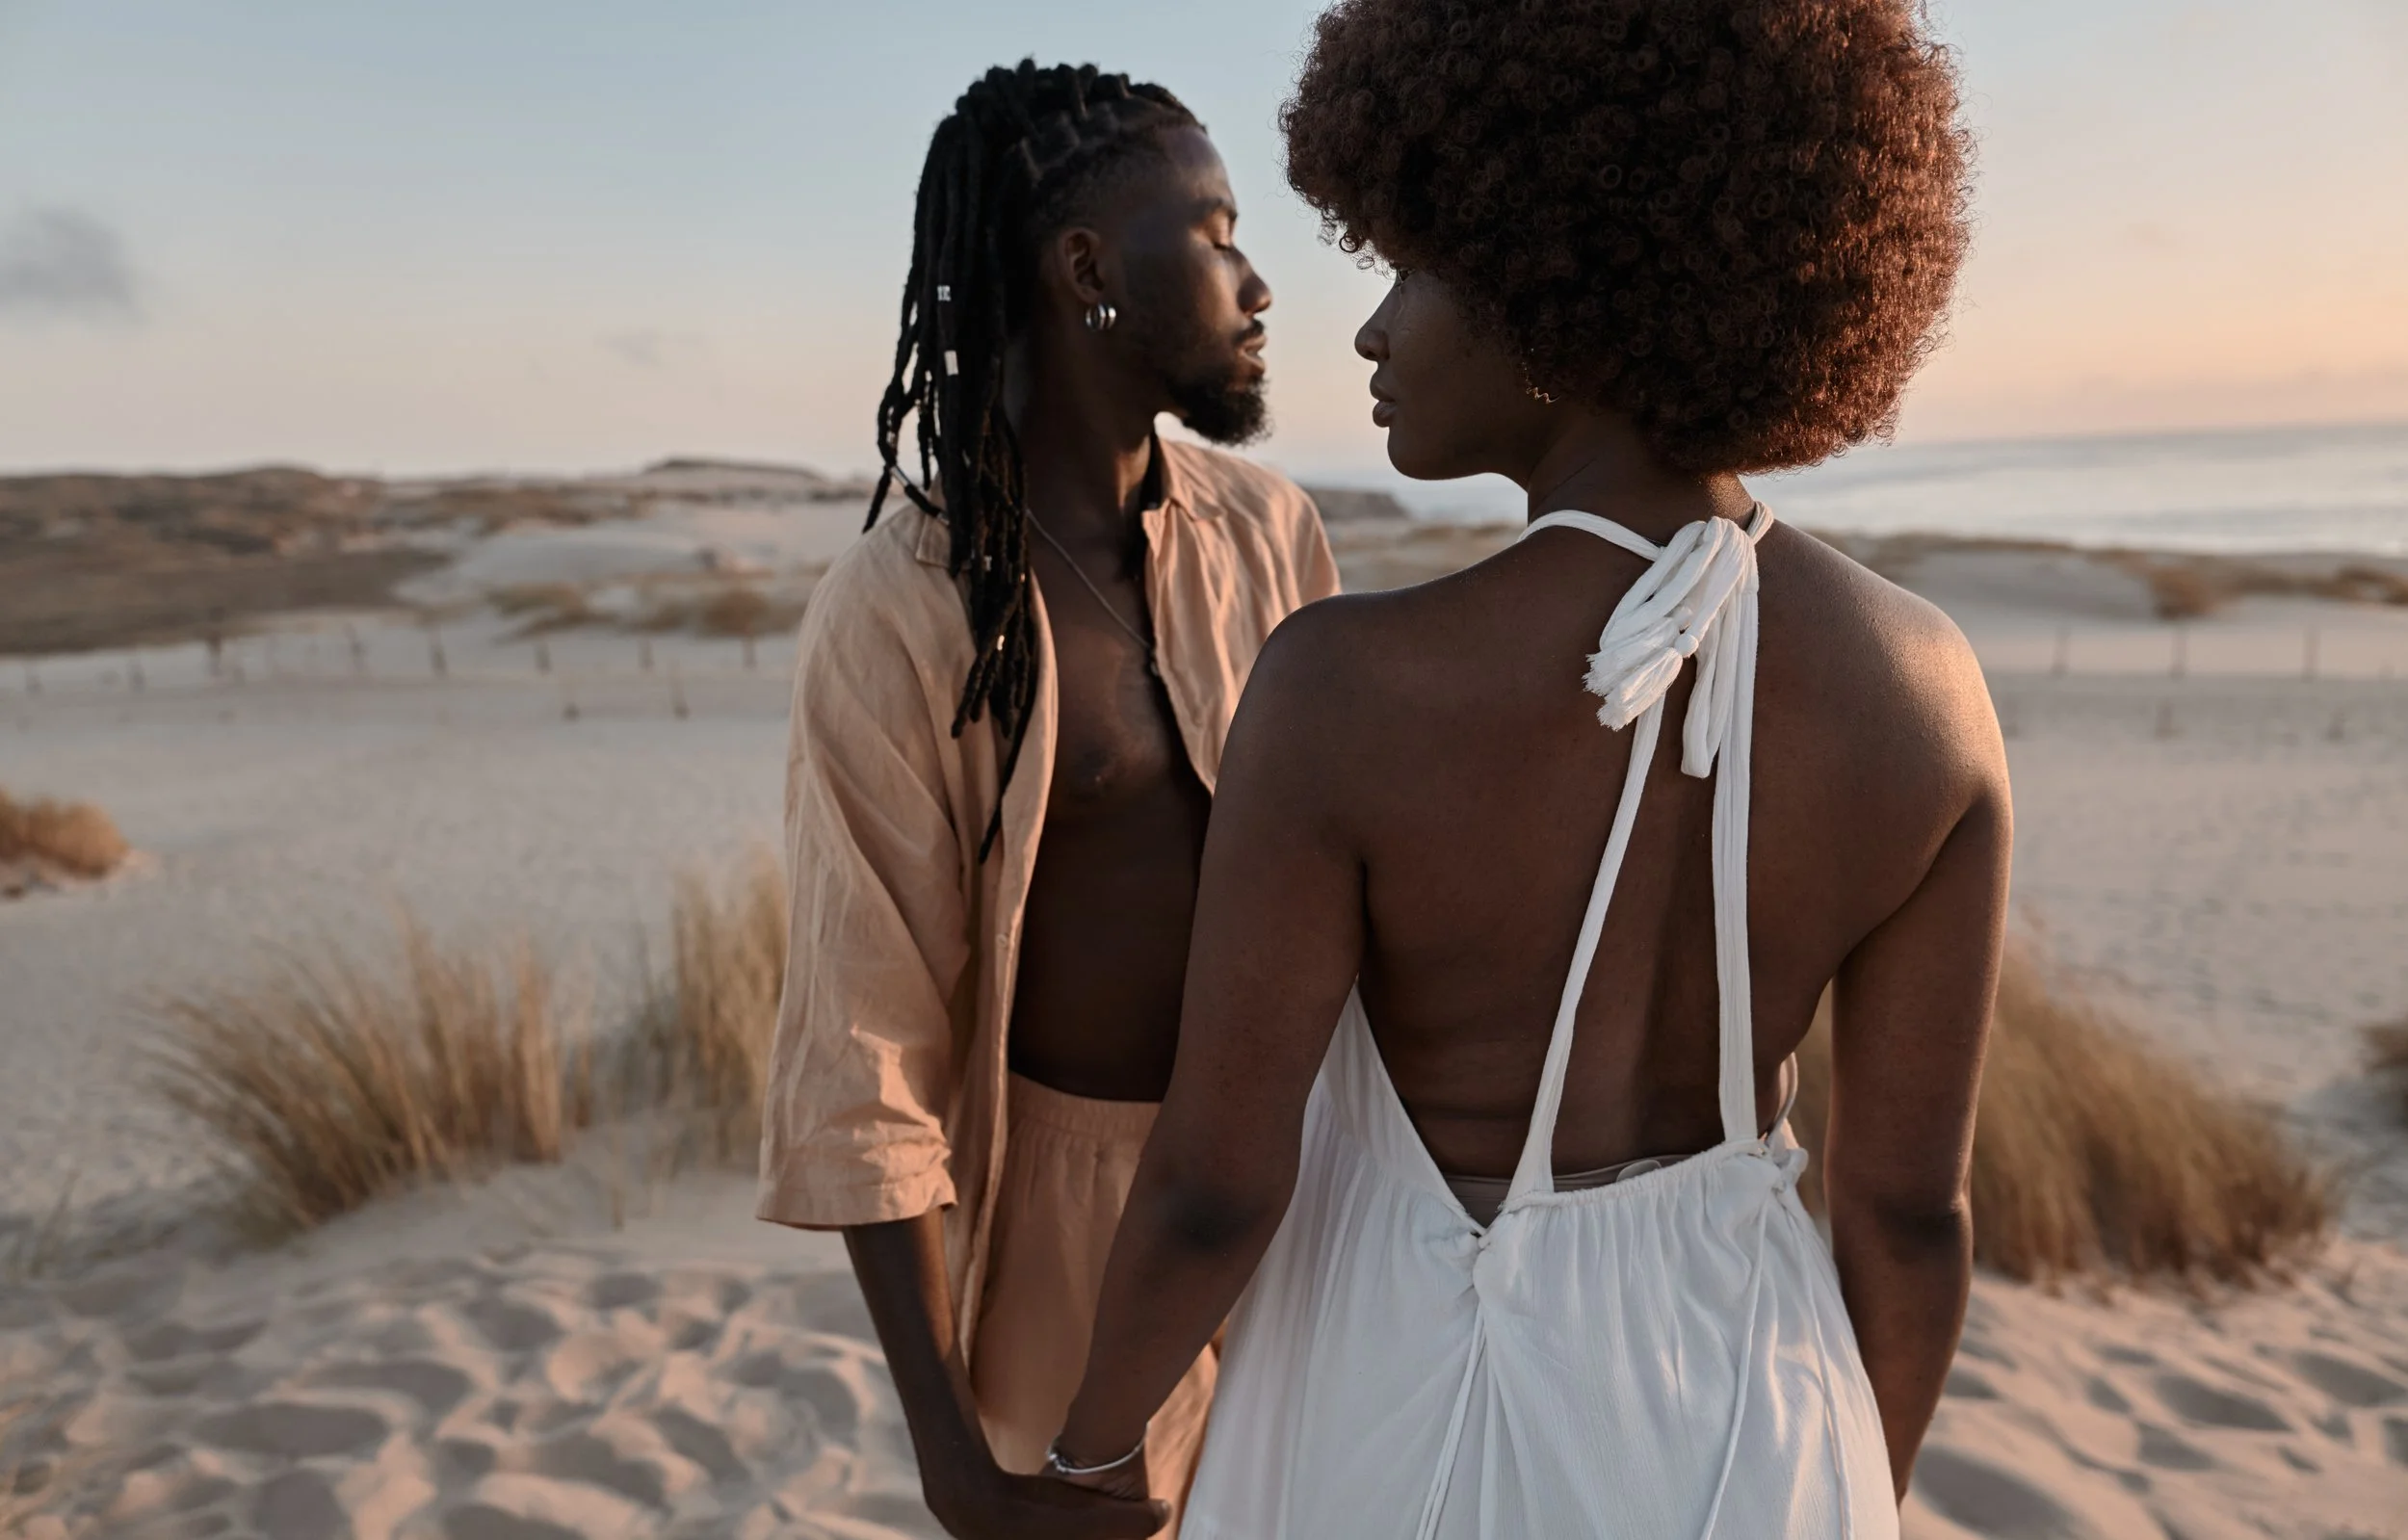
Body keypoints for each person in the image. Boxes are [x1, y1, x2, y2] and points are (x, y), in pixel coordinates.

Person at [1047, 2, 1998, 1535]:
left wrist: (1092, 1451)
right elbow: (1906, 1214)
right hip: (1757, 1417)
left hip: (1408, 1410)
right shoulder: (1931, 692)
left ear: (1558, 283)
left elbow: (1219, 1178)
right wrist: (1844, 1489)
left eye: (1409, 267)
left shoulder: (1349, 684)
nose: (1367, 330)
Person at [754, 59, 1339, 1540]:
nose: (1257, 282)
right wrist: (951, 1460)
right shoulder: (900, 611)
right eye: (1212, 234)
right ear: (1086, 269)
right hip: (1075, 1220)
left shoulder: (1273, 534)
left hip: (1307, 1182)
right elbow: (862, 1047)